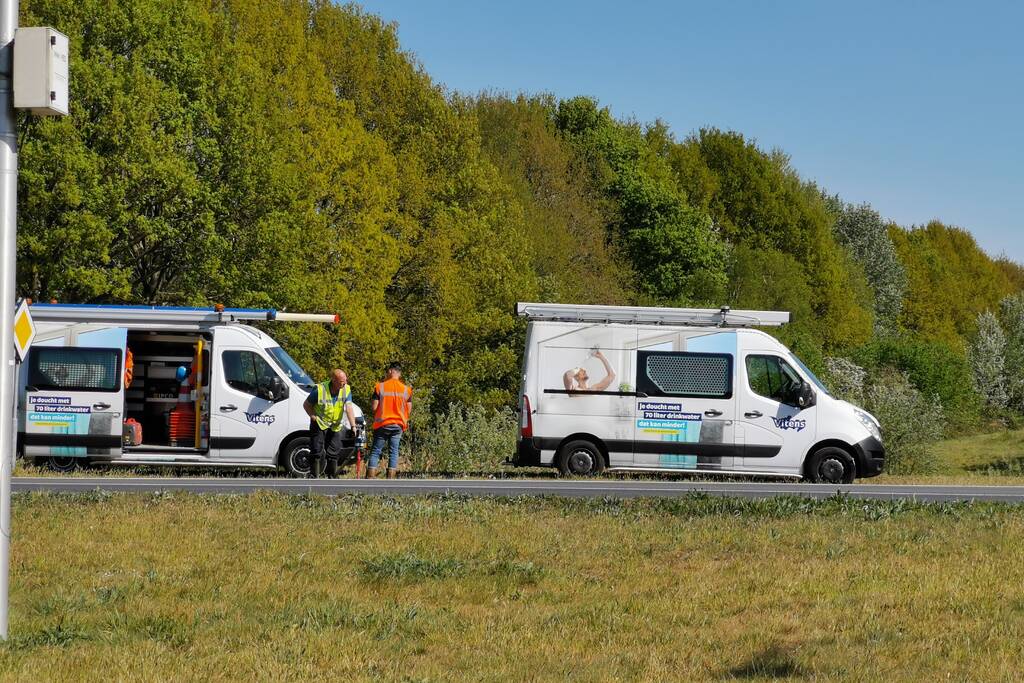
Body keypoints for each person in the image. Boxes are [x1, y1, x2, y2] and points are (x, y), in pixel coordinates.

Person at [303, 369, 356, 478]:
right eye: (342, 382)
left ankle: (331, 477)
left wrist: (353, 426)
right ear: (334, 380)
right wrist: (313, 416)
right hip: (319, 424)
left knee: (333, 452)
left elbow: (349, 408)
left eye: (346, 380)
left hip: (335, 426)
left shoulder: (346, 389)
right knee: (316, 451)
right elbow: (307, 404)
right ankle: (314, 477)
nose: (345, 384)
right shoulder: (320, 390)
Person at [366, 362, 412, 479]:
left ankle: (370, 478)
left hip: (382, 424)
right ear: (399, 373)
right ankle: (390, 479)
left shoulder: (379, 387)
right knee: (394, 452)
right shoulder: (407, 390)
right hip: (398, 425)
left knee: (376, 451)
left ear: (391, 371)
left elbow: (374, 407)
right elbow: (409, 409)